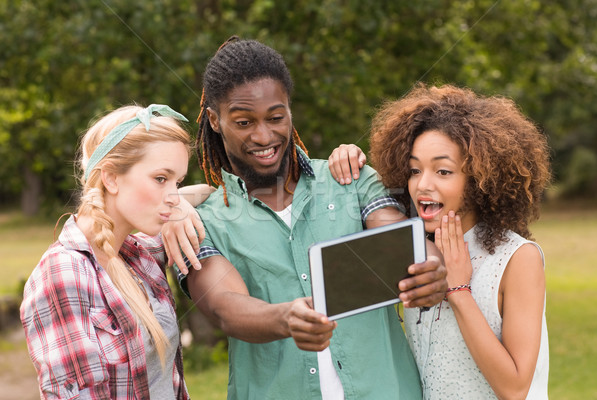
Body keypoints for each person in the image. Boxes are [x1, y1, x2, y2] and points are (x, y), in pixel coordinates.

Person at [165, 37, 447, 400]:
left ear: (290, 110)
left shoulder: (351, 180)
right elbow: (224, 308)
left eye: (276, 117)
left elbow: (402, 244)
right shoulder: (201, 223)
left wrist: (430, 267)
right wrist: (285, 318)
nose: (264, 135)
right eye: (244, 122)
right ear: (216, 122)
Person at [329, 83, 551, 399]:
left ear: (478, 178)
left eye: (443, 171)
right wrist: (348, 159)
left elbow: (515, 388)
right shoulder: (413, 250)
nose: (423, 184)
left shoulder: (518, 258)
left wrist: (459, 291)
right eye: (414, 170)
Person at [20, 104, 212, 399]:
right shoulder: (64, 273)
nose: (172, 194)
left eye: (178, 181)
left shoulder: (140, 256)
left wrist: (180, 204)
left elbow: (209, 192)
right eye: (161, 178)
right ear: (110, 178)